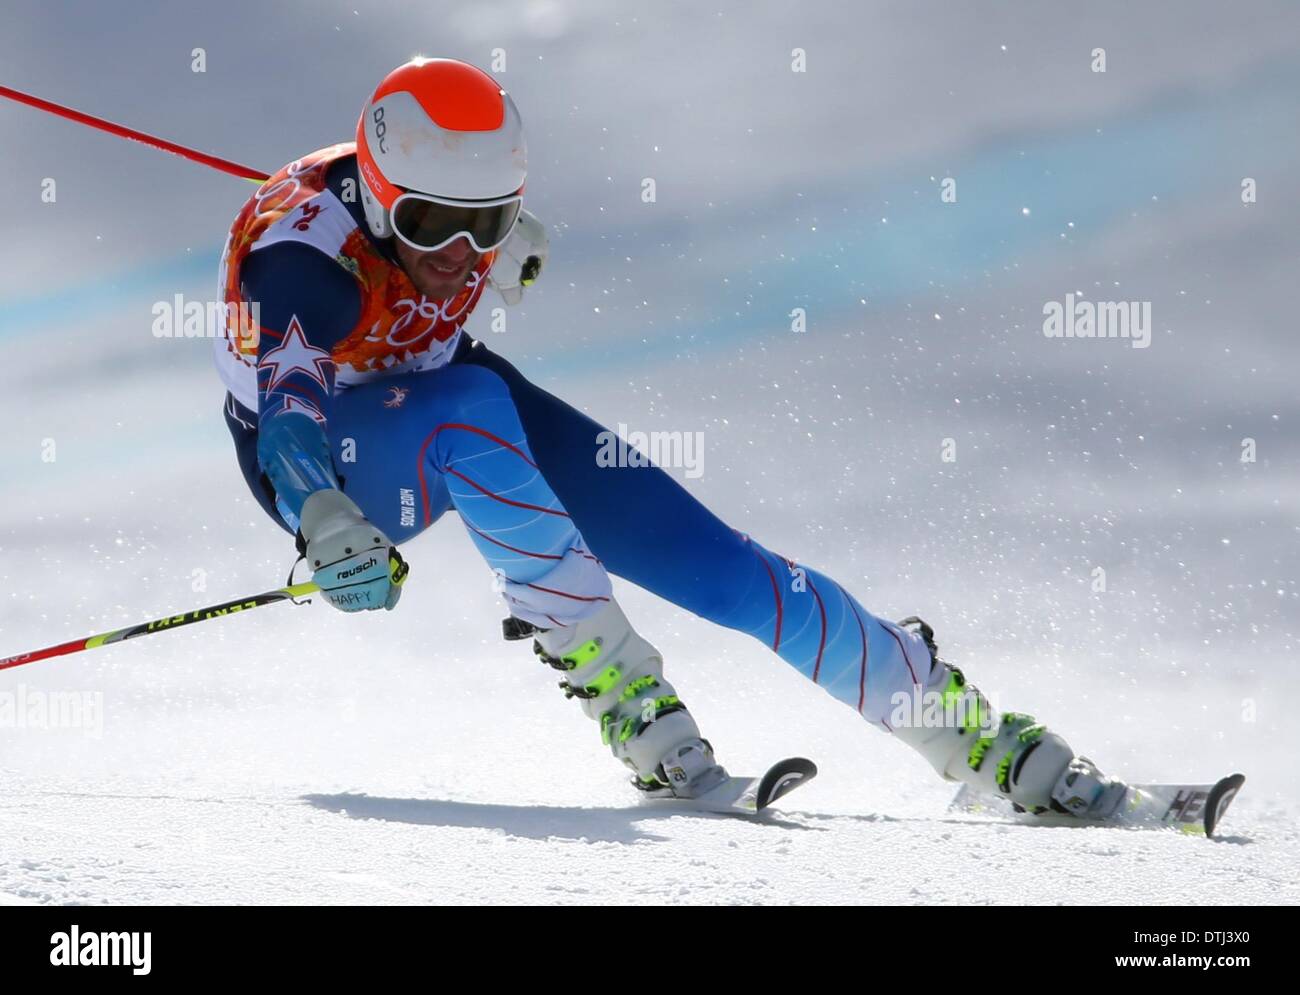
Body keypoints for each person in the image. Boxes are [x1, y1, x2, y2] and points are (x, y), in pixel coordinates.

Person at [214, 57, 1124, 816]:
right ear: (377, 203)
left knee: (721, 565)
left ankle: (974, 738)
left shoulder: (441, 204)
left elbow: (455, 218)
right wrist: (324, 515)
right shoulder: (297, 269)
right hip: (330, 464)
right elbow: (288, 417)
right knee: (473, 402)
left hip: (442, 396)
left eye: (486, 222)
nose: (459, 255)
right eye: (429, 224)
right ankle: (632, 704)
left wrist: (490, 230)